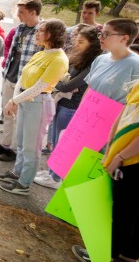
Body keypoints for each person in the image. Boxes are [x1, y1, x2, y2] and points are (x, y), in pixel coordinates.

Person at [72, 78, 139, 262]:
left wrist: (119, 156)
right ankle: (127, 259)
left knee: (123, 212)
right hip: (127, 155)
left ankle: (102, 257)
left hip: (132, 161)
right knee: (132, 212)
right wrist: (111, 146)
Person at [0, 19, 69, 196]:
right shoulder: (41, 53)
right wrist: (15, 99)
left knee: (31, 146)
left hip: (39, 104)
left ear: (52, 34)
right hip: (26, 101)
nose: (36, 33)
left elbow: (40, 87)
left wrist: (14, 101)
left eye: (41, 30)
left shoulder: (59, 58)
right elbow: (23, 77)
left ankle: (24, 183)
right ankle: (17, 172)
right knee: (21, 141)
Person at [34, 26, 103, 189]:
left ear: (92, 45)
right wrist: (60, 82)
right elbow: (64, 81)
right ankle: (51, 172)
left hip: (72, 106)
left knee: (63, 144)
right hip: (63, 102)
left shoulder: (92, 63)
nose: (77, 44)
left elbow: (68, 84)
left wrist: (56, 83)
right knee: (57, 141)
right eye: (77, 40)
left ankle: (56, 177)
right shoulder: (80, 58)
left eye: (81, 42)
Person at [0, 0, 43, 162]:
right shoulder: (20, 28)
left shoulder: (42, 31)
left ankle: (16, 151)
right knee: (7, 112)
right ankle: (5, 145)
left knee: (19, 117)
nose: (18, 15)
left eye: (22, 12)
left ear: (33, 12)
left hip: (25, 82)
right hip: (10, 74)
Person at [84, 19, 139, 105]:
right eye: (101, 33)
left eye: (106, 34)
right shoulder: (100, 59)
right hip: (87, 114)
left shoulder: (135, 65)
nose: (100, 37)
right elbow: (89, 90)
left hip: (113, 117)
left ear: (124, 38)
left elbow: (133, 102)